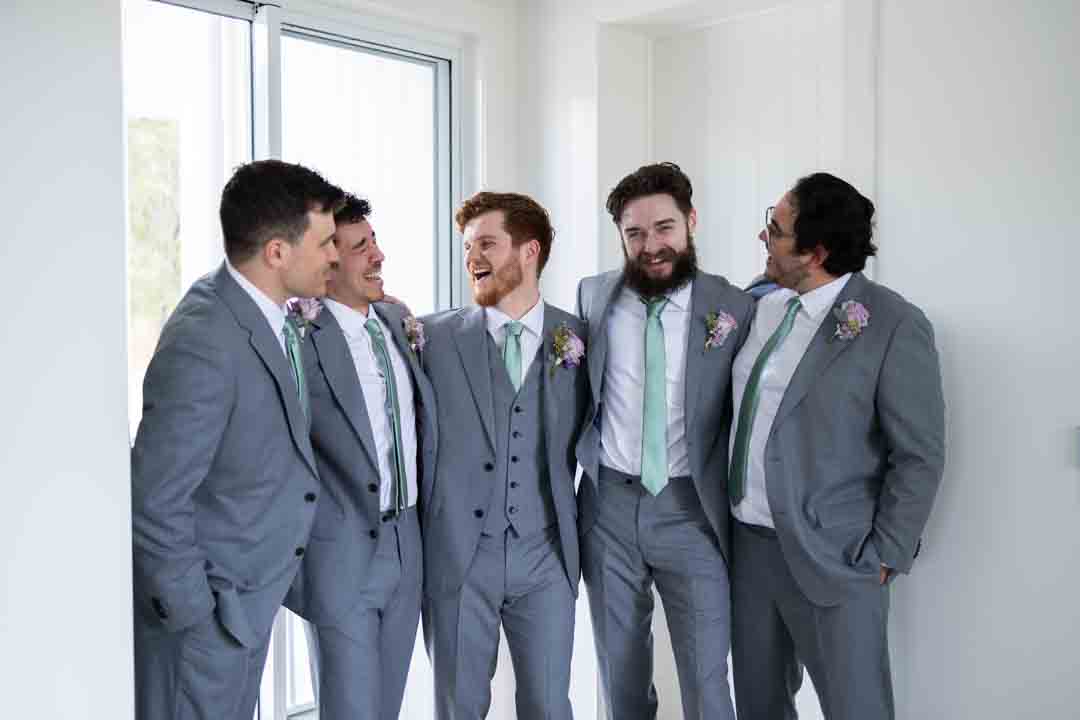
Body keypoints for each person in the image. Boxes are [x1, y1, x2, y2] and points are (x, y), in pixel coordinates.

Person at [131, 159, 344, 720]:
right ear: (277, 252)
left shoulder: (263, 313)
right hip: (205, 623)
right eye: (324, 242)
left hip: (242, 608)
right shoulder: (204, 338)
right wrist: (197, 617)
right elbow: (155, 497)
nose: (335, 255)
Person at [728, 172, 945, 720]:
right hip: (749, 551)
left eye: (774, 229)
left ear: (815, 251)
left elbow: (918, 454)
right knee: (758, 706)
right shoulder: (761, 304)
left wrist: (884, 556)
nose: (762, 238)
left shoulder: (893, 324)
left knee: (857, 708)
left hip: (835, 558)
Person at [575, 162, 754, 720]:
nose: (651, 246)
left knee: (705, 678)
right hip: (608, 507)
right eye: (635, 233)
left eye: (664, 228)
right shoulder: (593, 297)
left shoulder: (734, 307)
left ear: (691, 222)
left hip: (691, 510)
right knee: (620, 676)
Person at [421, 192, 589, 720]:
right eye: (468, 247)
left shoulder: (580, 337)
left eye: (487, 244)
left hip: (546, 557)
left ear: (529, 251)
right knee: (459, 706)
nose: (473, 257)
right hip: (460, 558)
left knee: (547, 705)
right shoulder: (431, 337)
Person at [284, 194, 435, 718]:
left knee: (387, 706)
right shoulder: (300, 337)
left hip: (408, 544)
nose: (378, 256)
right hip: (341, 551)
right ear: (329, 261)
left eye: (374, 242)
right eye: (360, 247)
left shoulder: (397, 322)